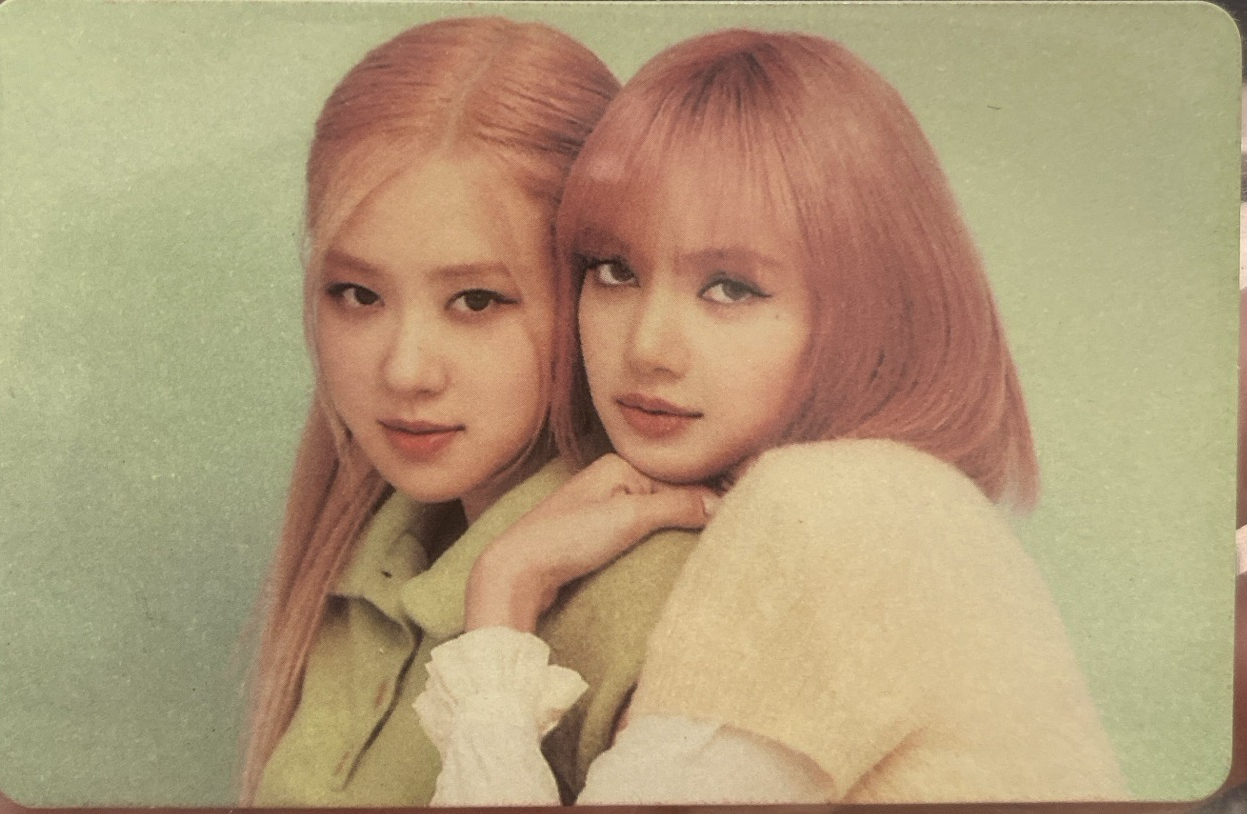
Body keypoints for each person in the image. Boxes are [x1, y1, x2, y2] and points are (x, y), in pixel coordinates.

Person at [414, 28, 1129, 804]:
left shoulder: (836, 505)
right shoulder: (902, 501)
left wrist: (503, 597)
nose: (648, 348)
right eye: (615, 271)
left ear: (865, 308)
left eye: (730, 289)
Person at [240, 18, 715, 806]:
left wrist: (505, 588)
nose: (404, 370)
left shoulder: (661, 604)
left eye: (475, 300)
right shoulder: (375, 548)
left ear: (593, 289)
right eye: (356, 294)